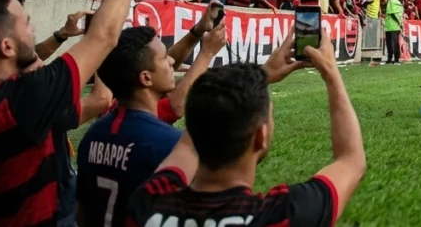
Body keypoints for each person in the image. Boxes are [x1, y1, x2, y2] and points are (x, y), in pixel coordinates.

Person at [0, 0, 145, 226]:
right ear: (6, 47)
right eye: (27, 24)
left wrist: (60, 36)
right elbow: (105, 38)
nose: (33, 31)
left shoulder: (8, 94)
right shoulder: (23, 101)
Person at [125, 33, 366, 226]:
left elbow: (189, 143)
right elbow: (351, 160)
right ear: (260, 137)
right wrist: (331, 73)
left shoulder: (148, 202)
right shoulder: (282, 214)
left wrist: (260, 76)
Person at [76, 19, 227, 227]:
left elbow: (82, 214)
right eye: (165, 58)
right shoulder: (171, 145)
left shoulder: (92, 135)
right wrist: (207, 54)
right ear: (146, 78)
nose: (172, 62)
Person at [383, 0, 404, 64]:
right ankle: (391, 58)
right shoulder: (394, 1)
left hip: (393, 26)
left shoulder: (392, 1)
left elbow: (393, 13)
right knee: (390, 43)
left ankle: (395, 59)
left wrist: (399, 23)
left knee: (393, 43)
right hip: (390, 26)